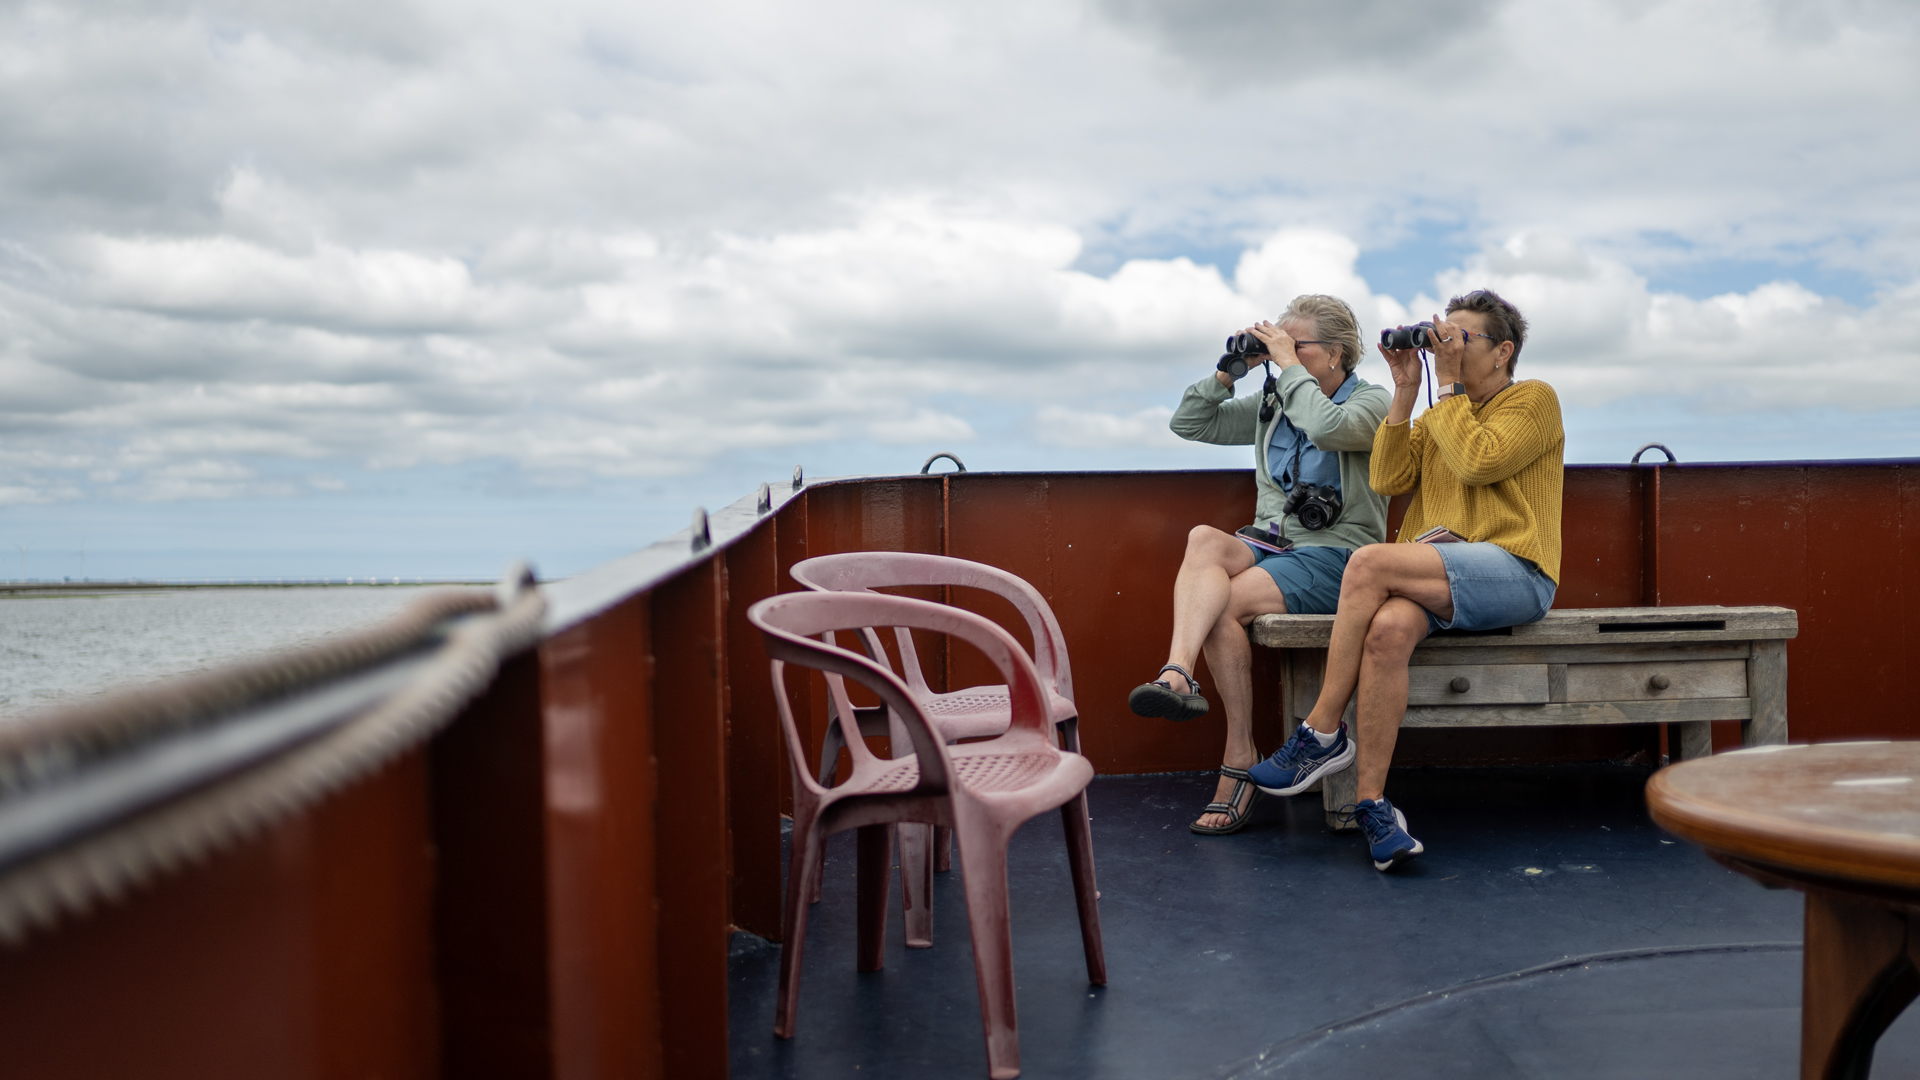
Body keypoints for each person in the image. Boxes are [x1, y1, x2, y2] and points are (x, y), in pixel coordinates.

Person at [1248, 288, 1563, 870]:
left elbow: (1480, 461)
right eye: (1442, 336)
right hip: (1443, 571)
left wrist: (1443, 392)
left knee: (1368, 560)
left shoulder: (1533, 400)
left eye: (1463, 338)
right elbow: (1390, 476)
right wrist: (1404, 391)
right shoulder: (1440, 412)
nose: (1445, 346)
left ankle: (1320, 733)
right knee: (1387, 632)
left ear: (1503, 352)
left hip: (1516, 570)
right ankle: (1372, 805)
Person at [1128, 294, 1391, 835]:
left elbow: (1327, 430)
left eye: (1295, 346)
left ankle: (1238, 759)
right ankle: (1177, 672)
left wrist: (1287, 368)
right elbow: (1190, 424)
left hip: (1338, 555)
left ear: (1336, 354)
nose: (1279, 356)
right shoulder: (1273, 404)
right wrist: (1228, 375)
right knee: (1203, 538)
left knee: (1220, 607)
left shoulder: (1374, 404)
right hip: (1271, 542)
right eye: (1277, 347)